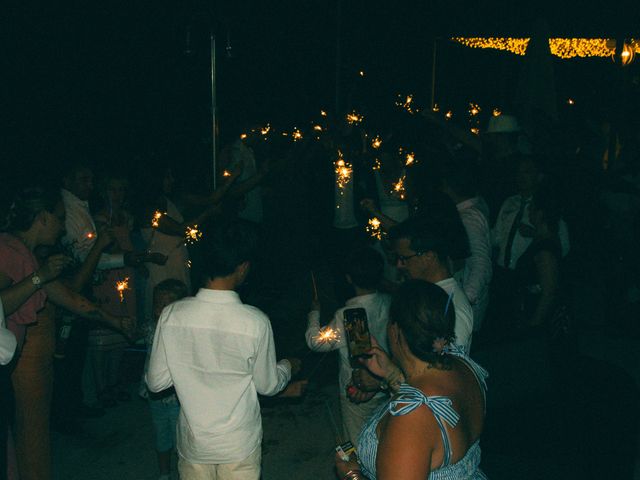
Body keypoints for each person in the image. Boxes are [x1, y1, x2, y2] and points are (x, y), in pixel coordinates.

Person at [146, 221, 303, 480]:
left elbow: (156, 382)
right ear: (242, 268)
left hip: (194, 444)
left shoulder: (172, 315)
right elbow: (268, 385)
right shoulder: (255, 321)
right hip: (238, 444)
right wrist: (288, 366)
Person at [0, 186, 132, 479]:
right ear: (43, 218)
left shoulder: (27, 253)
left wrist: (116, 322)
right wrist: (39, 277)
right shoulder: (7, 250)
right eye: (59, 218)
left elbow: (71, 298)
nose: (62, 226)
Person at [335, 280, 488, 480]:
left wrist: (351, 475)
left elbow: (423, 415)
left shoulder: (412, 418)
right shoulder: (463, 364)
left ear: (395, 330)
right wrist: (390, 373)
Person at [305, 247, 391, 448]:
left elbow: (316, 342)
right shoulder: (388, 302)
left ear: (349, 278)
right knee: (383, 437)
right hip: (385, 385)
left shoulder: (349, 314)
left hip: (358, 388)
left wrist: (314, 314)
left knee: (356, 442)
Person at [388, 220, 474, 353]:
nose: (399, 265)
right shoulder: (425, 291)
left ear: (429, 256)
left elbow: (448, 366)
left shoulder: (453, 307)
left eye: (404, 258)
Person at [439, 156, 492, 332]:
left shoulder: (468, 218)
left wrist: (465, 300)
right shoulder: (476, 205)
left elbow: (480, 263)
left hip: (470, 302)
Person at [142, 279, 188, 480]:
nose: (158, 309)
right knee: (161, 437)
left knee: (182, 440)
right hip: (155, 398)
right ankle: (163, 474)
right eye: (156, 304)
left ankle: (184, 472)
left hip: (177, 398)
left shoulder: (184, 333)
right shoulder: (150, 328)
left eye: (164, 304)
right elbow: (135, 335)